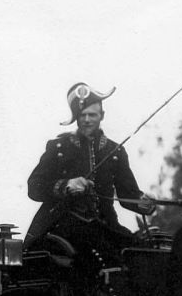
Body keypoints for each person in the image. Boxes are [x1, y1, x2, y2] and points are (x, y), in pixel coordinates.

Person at [26, 81, 156, 252]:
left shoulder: (116, 151)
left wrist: (143, 203)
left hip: (106, 227)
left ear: (102, 115)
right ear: (76, 117)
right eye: (82, 115)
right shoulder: (58, 147)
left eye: (92, 115)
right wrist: (66, 185)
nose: (87, 120)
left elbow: (127, 194)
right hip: (61, 228)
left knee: (141, 253)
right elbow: (34, 187)